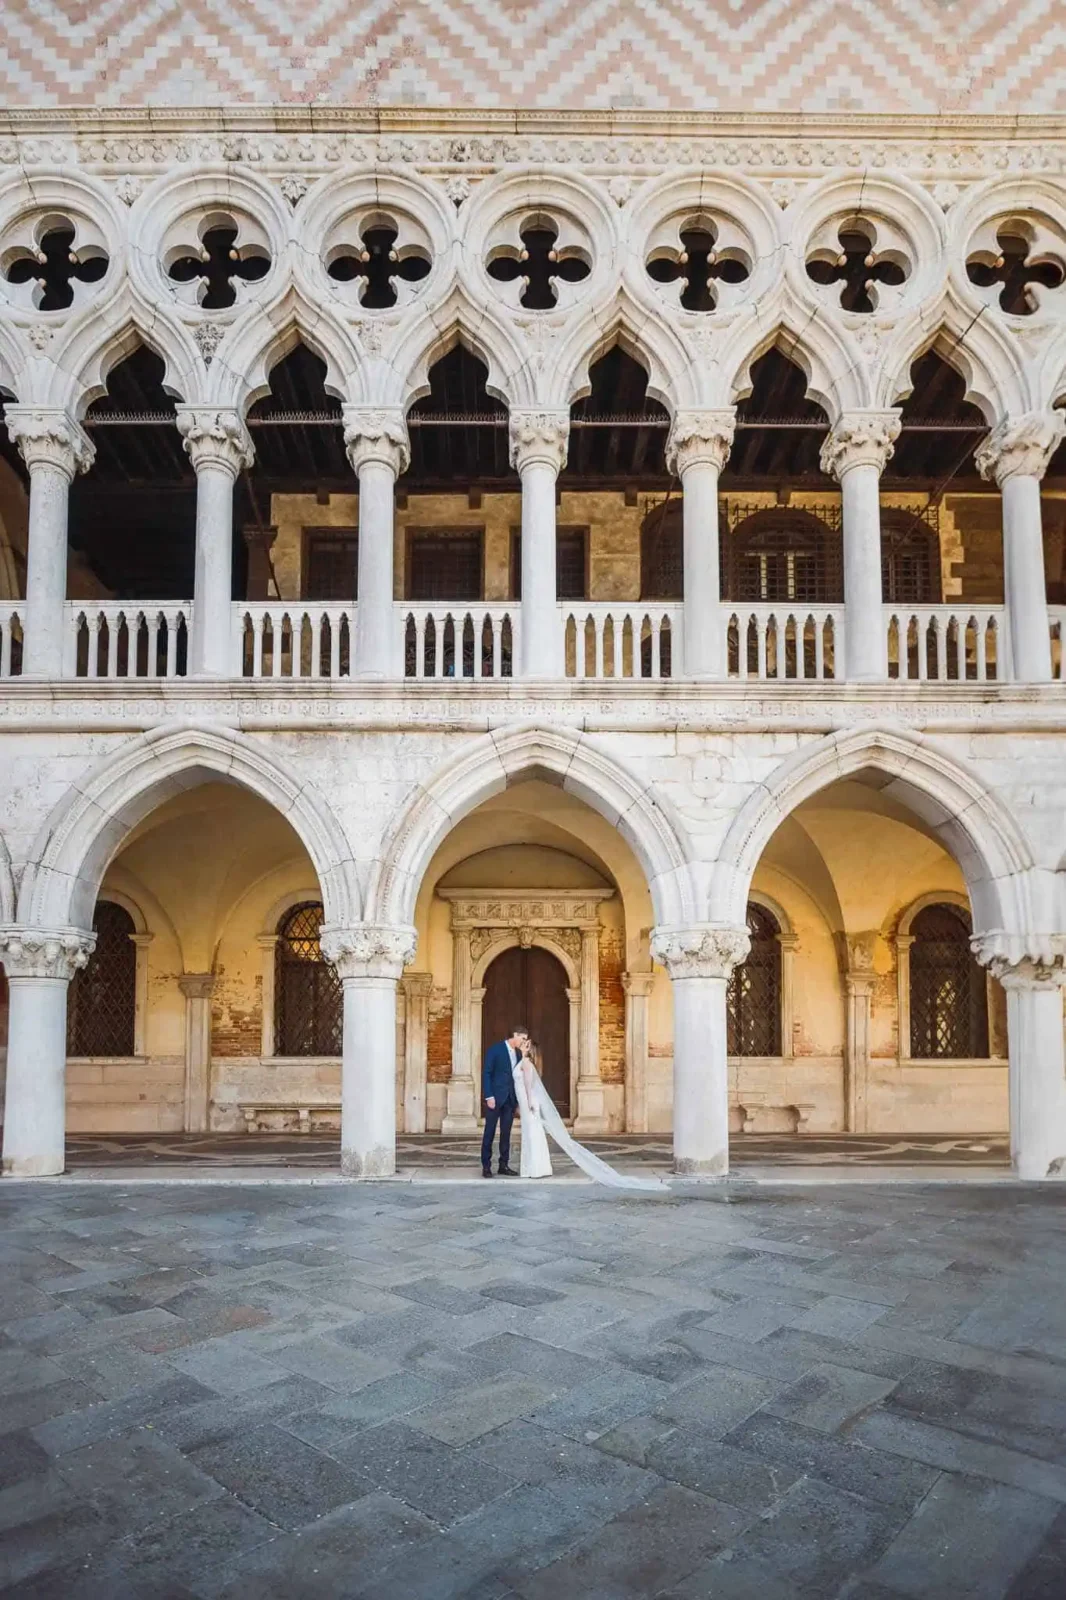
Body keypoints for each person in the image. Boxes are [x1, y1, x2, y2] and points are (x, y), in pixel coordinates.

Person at [481, 1024, 528, 1177]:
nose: (524, 1042)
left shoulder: (519, 1054)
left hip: (510, 1100)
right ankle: (486, 1166)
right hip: (494, 1098)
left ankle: (504, 1165)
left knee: (506, 1134)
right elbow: (487, 1073)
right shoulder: (495, 1050)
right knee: (489, 1132)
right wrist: (489, 1096)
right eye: (523, 1038)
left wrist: (519, 1101)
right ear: (515, 1035)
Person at [513, 1039, 553, 1178]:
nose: (523, 1044)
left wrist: (528, 1103)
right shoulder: (525, 1061)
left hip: (528, 1101)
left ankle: (535, 1168)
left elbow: (528, 1085)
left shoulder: (526, 1063)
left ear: (530, 1050)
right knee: (531, 1132)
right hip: (525, 1101)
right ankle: (535, 1167)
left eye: (526, 1044)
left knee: (532, 1133)